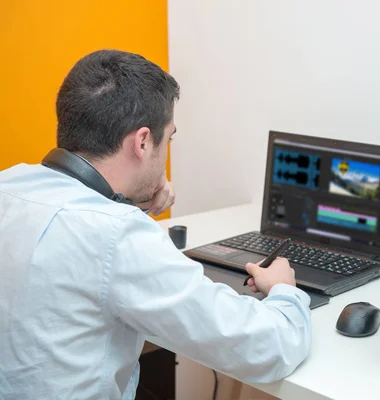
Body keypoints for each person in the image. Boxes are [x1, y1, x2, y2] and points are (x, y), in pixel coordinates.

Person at [0, 49, 312, 399]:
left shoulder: (9, 185)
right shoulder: (118, 236)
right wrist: (287, 291)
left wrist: (128, 202)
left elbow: (73, 251)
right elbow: (265, 348)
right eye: (169, 138)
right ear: (144, 141)